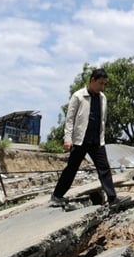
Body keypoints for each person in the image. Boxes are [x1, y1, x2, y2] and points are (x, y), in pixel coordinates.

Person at [49, 68, 128, 208]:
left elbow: (102, 120)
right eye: (100, 83)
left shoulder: (103, 98)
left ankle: (112, 199)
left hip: (97, 140)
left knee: (104, 168)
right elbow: (69, 120)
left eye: (104, 84)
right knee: (72, 168)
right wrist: (68, 138)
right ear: (92, 80)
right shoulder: (78, 96)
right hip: (81, 139)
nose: (102, 87)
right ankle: (57, 196)